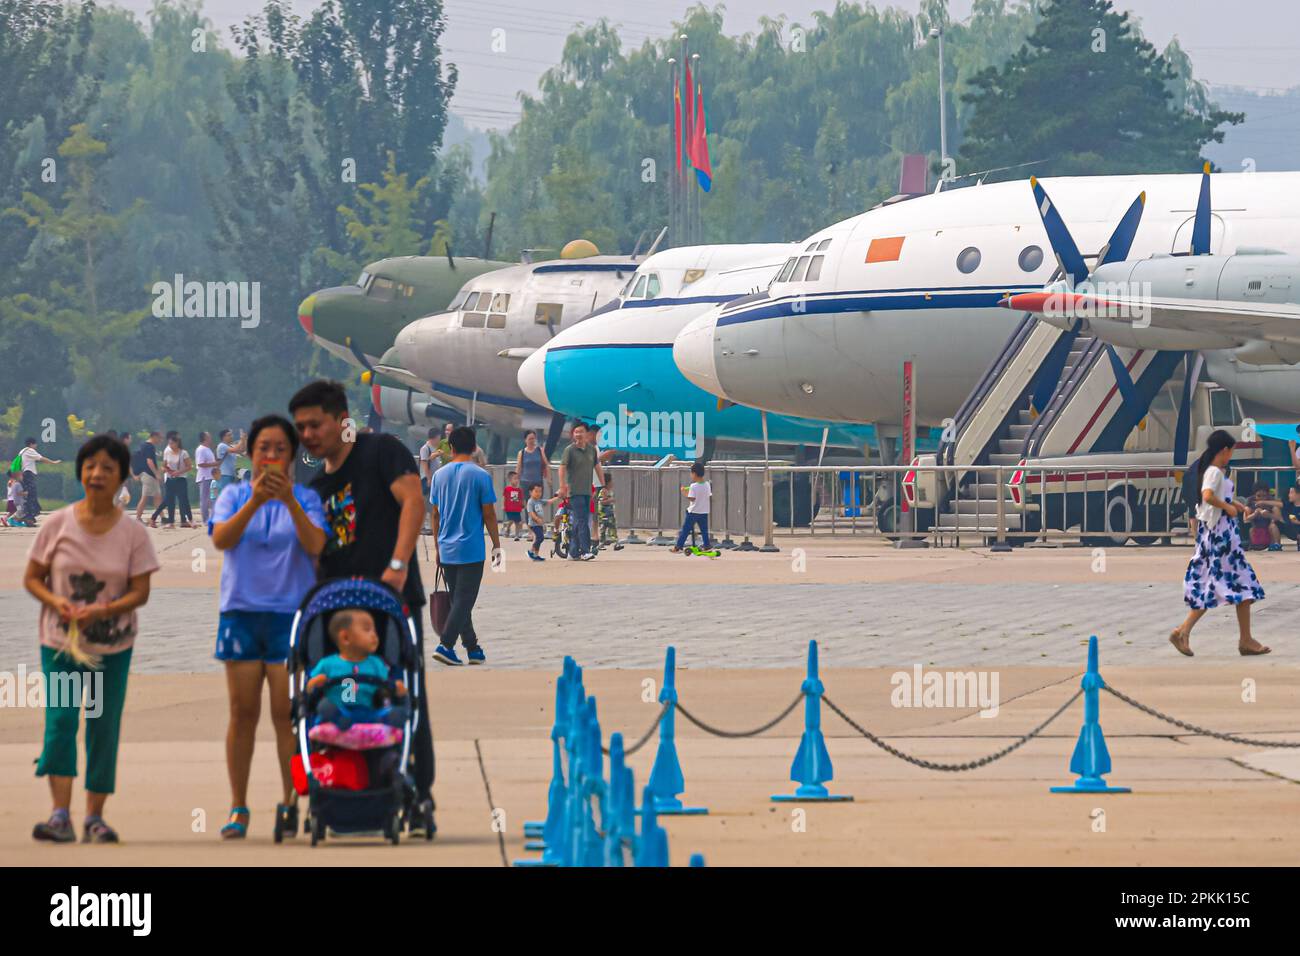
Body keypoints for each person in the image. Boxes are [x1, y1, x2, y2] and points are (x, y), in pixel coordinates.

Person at [290, 379, 437, 833]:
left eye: (316, 424)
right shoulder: (316, 484)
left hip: (391, 602)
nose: (309, 435)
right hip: (338, 611)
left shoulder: (380, 451)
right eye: (301, 428)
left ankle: (417, 792)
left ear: (341, 420)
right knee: (341, 698)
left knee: (405, 695)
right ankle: (345, 791)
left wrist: (397, 564)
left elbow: (414, 499)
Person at [24, 435, 159, 843]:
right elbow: (32, 578)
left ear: (121, 478)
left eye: (107, 467)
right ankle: (60, 815)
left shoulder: (133, 534)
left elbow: (140, 592)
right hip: (61, 643)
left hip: (112, 648)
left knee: (102, 725)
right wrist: (57, 602)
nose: (97, 473)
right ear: (80, 471)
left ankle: (94, 817)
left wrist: (102, 610)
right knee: (61, 722)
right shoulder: (56, 524)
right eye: (90, 466)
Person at [209, 415, 326, 840]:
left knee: (286, 714)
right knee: (242, 713)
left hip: (289, 617)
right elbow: (221, 538)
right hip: (240, 613)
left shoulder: (307, 500)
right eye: (264, 448)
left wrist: (289, 503)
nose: (272, 457)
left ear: (292, 456)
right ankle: (238, 806)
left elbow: (317, 545)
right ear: (251, 453)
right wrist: (256, 502)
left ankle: (291, 799)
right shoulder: (233, 495)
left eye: (280, 449)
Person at [1173, 430, 1269, 657]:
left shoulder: (1214, 471)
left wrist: (1237, 504)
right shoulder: (1214, 471)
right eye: (1231, 450)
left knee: (1233, 586)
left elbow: (1217, 496)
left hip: (1220, 536)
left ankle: (1242, 639)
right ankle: (1186, 631)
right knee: (1239, 585)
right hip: (1221, 538)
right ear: (1224, 450)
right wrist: (1227, 508)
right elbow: (1207, 496)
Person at [429, 426, 501, 665]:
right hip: (471, 549)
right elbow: (489, 514)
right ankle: (446, 645)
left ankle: (473, 648)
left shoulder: (439, 476)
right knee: (463, 600)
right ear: (474, 448)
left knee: (459, 600)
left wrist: (438, 546)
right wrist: (496, 545)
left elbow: (435, 514)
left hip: (446, 548)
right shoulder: (481, 476)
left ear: (450, 448)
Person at [308, 609, 409, 730]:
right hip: (339, 710)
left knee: (394, 712)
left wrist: (397, 688)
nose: (374, 635)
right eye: (367, 630)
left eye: (374, 630)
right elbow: (309, 690)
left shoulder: (377, 663)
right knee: (324, 706)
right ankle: (341, 720)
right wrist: (315, 683)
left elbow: (387, 686)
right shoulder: (327, 664)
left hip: (369, 712)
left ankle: (381, 719)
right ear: (345, 637)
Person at [557, 422, 604, 561]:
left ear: (587, 434)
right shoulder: (569, 450)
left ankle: (572, 552)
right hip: (574, 491)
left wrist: (603, 485)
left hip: (587, 491)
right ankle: (584, 550)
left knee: (578, 521)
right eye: (575, 432)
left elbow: (597, 466)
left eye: (581, 432)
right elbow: (562, 467)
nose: (578, 434)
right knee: (582, 520)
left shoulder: (591, 450)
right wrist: (562, 486)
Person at [150, 432, 194, 528]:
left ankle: (187, 520)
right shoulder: (167, 451)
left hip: (181, 479)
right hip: (170, 479)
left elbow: (189, 466)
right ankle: (171, 522)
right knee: (169, 500)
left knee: (183, 500)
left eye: (172, 443)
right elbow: (163, 466)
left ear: (177, 443)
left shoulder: (183, 453)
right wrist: (166, 470)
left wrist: (179, 472)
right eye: (169, 443)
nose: (170, 445)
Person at [17, 437, 61, 526]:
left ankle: (29, 518)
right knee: (31, 497)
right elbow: (41, 458)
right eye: (35, 444)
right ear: (31, 444)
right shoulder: (29, 450)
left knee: (29, 496)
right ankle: (28, 518)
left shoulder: (22, 451)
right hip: (28, 475)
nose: (36, 446)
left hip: (24, 475)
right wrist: (53, 462)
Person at [671, 460, 713, 552]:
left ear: (694, 474)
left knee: (685, 530)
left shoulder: (693, 486)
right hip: (704, 511)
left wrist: (684, 492)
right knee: (704, 530)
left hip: (693, 511)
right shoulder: (707, 485)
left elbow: (692, 498)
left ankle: (678, 547)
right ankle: (707, 546)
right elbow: (707, 495)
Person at [1244, 480, 1283, 551]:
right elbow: (1245, 519)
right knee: (1250, 529)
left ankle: (1277, 544)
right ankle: (1252, 544)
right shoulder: (1250, 501)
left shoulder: (1271, 500)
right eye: (1259, 496)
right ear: (1254, 494)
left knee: (1273, 526)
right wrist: (1254, 514)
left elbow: (1279, 518)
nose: (1261, 498)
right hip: (1255, 529)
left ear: (1267, 494)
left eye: (1264, 496)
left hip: (1268, 529)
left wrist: (1269, 515)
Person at [132, 431, 163, 522]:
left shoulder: (143, 445)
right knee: (145, 497)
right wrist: (157, 473)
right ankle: (138, 518)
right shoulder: (150, 446)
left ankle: (162, 517)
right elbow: (149, 461)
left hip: (146, 474)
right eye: (159, 438)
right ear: (154, 436)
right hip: (148, 475)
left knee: (157, 496)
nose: (160, 440)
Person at [516, 429, 550, 498]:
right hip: (525, 483)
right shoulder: (521, 453)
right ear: (525, 440)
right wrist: (515, 480)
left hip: (537, 482)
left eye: (533, 438)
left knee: (537, 505)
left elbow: (546, 464)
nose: (532, 441)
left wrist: (549, 478)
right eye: (530, 439)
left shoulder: (540, 450)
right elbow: (518, 468)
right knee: (527, 505)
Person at [195, 432, 219, 527]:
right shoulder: (201, 450)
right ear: (205, 438)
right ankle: (205, 519)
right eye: (209, 436)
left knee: (212, 498)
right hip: (204, 477)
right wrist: (214, 464)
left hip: (211, 477)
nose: (211, 438)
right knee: (205, 499)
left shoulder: (208, 449)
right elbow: (200, 464)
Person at [418, 427, 439, 534]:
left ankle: (431, 527)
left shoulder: (434, 448)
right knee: (425, 505)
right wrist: (429, 478)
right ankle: (422, 527)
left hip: (433, 480)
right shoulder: (425, 448)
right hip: (426, 480)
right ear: (435, 437)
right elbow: (424, 464)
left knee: (431, 505)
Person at [597, 472, 623, 550]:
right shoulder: (603, 491)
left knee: (613, 528)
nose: (612, 483)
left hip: (610, 514)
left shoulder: (609, 491)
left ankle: (616, 543)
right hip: (603, 515)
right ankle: (601, 544)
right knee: (603, 530)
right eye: (611, 481)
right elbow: (602, 501)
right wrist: (610, 500)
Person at [525, 483, 551, 562]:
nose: (538, 493)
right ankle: (530, 550)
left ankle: (536, 555)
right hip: (533, 524)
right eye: (536, 491)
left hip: (539, 524)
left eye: (540, 491)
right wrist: (537, 519)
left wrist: (557, 497)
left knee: (539, 539)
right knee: (540, 538)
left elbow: (548, 501)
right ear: (530, 492)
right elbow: (531, 513)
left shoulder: (539, 501)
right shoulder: (530, 502)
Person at [215, 428, 245, 495]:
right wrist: (241, 440)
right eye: (229, 435)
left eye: (231, 435)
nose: (231, 436)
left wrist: (243, 440)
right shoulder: (221, 446)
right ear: (223, 437)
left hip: (231, 475)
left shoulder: (230, 446)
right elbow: (234, 449)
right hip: (224, 475)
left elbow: (242, 450)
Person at [502, 471, 524, 541]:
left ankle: (516, 535)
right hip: (509, 508)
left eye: (517, 479)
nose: (517, 480)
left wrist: (522, 504)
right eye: (515, 479)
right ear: (510, 480)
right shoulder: (507, 489)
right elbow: (504, 497)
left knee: (517, 522)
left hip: (517, 509)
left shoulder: (519, 490)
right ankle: (507, 529)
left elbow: (521, 498)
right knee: (511, 520)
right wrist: (503, 505)